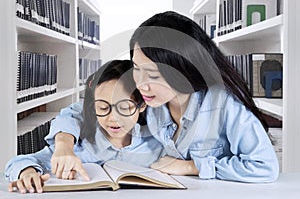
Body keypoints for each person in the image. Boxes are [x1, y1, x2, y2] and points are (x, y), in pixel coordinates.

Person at [42, 11, 279, 183]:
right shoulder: (152, 102)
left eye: (154, 75)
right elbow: (79, 110)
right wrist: (64, 145)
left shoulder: (224, 106)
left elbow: (264, 167)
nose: (141, 84)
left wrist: (191, 167)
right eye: (136, 68)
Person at [5, 60, 163, 193]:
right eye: (102, 107)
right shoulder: (81, 147)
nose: (113, 118)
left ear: (142, 105)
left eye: (124, 108)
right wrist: (27, 172)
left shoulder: (157, 144)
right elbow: (18, 162)